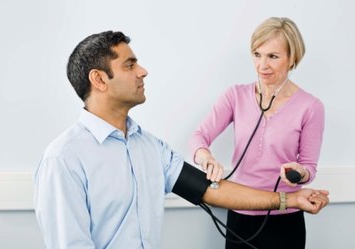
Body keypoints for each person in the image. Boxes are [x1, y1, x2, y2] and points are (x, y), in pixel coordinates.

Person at [34, 30, 329, 249]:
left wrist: (290, 199)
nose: (143, 71)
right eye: (129, 65)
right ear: (99, 80)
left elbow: (211, 191)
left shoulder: (150, 148)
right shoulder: (64, 159)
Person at [189, 17, 325, 249]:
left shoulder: (311, 106)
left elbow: (309, 168)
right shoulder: (235, 96)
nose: (262, 65)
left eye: (273, 56)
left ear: (293, 58)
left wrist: (298, 172)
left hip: (285, 216)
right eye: (257, 54)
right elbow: (198, 137)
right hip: (240, 214)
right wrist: (205, 157)